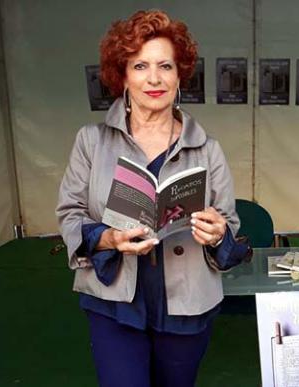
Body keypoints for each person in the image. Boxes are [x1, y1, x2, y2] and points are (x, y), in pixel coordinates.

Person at [56, 9, 245, 387]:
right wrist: (108, 238)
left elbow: (231, 226)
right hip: (114, 301)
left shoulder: (208, 149)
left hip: (187, 304)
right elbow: (70, 214)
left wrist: (218, 233)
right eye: (140, 66)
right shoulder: (91, 141)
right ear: (122, 75)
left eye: (166, 66)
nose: (154, 79)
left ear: (180, 75)